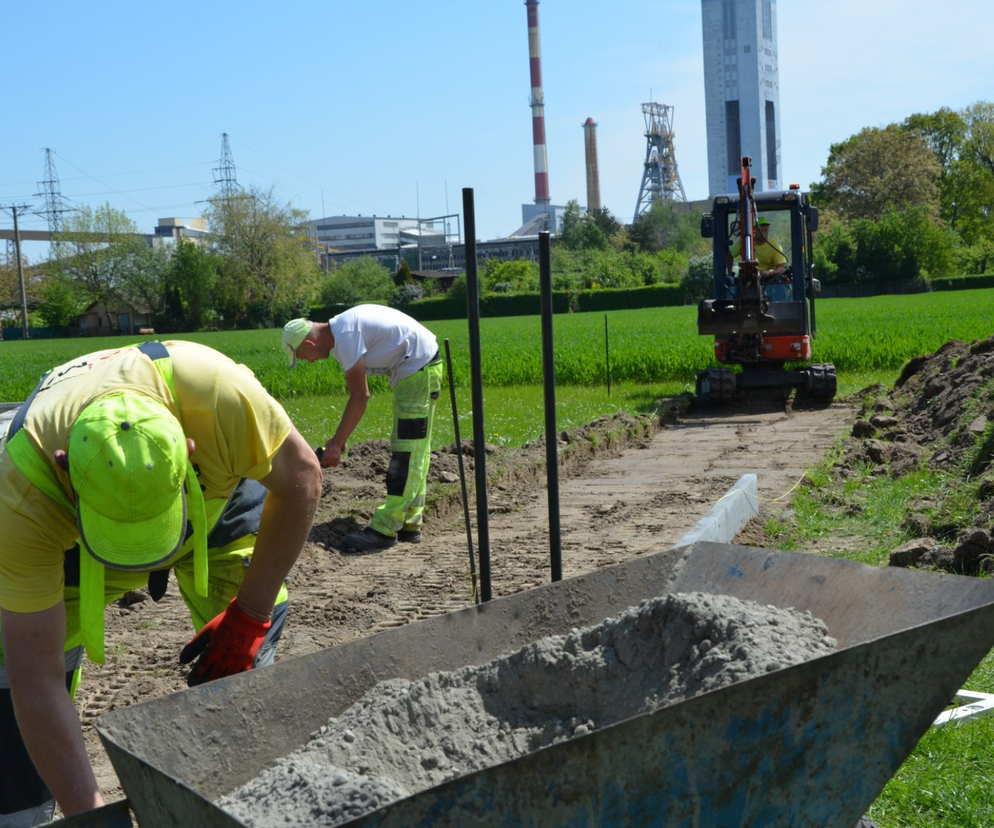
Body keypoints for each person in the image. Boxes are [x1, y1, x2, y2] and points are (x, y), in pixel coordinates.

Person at [0, 339, 322, 825]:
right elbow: (34, 675)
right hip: (71, 542)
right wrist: (91, 817)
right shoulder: (21, 493)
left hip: (213, 505)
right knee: (11, 670)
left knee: (251, 630)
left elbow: (302, 480)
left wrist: (251, 614)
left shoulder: (221, 398)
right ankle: (26, 811)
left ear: (188, 447)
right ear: (64, 466)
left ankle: (251, 795)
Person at [281, 305, 443, 553]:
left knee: (407, 452)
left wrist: (336, 443)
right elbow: (361, 395)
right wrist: (340, 438)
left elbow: (360, 396)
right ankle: (410, 522)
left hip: (417, 371)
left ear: (309, 344)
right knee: (415, 449)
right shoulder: (343, 332)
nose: (309, 361)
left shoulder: (345, 336)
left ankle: (385, 529)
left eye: (303, 356)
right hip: (418, 370)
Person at [726, 215, 788, 283]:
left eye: (766, 230)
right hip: (747, 277)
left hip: (768, 279)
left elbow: (781, 268)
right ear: (754, 230)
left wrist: (769, 272)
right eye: (761, 230)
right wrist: (729, 273)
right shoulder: (744, 243)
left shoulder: (775, 246)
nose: (764, 233)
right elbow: (730, 256)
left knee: (779, 285)